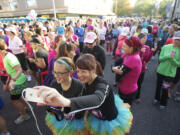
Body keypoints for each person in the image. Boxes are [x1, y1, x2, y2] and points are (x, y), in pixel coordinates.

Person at [34, 54, 133, 135]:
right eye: (78, 71)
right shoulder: (84, 83)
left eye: (83, 71)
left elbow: (97, 99)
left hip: (109, 121)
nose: (80, 75)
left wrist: (66, 101)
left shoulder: (103, 84)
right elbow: (84, 102)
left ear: (93, 70)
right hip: (95, 116)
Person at [45, 57, 85, 135]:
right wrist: (51, 108)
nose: (56, 76)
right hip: (60, 117)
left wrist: (68, 111)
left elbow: (81, 108)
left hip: (74, 120)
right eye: (55, 72)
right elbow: (53, 102)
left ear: (70, 72)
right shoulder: (54, 83)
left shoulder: (79, 86)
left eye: (60, 73)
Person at [0, 39, 30, 124]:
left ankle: (24, 116)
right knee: (18, 96)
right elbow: (10, 72)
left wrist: (12, 80)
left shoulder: (8, 57)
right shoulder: (4, 55)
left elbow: (19, 69)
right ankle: (27, 107)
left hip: (18, 82)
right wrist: (7, 83)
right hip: (16, 81)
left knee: (15, 100)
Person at [153, 31, 180, 109]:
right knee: (158, 86)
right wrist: (168, 56)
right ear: (173, 39)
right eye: (176, 39)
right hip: (160, 71)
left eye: (179, 40)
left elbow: (178, 64)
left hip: (170, 74)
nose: (177, 41)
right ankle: (156, 98)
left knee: (165, 89)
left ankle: (163, 103)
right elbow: (160, 59)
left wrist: (172, 59)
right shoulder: (166, 47)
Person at [112, 36, 142, 105]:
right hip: (124, 88)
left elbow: (118, 70)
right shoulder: (128, 54)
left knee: (124, 112)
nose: (122, 48)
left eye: (124, 46)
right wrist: (114, 68)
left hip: (128, 91)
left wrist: (113, 68)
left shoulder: (133, 58)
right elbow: (116, 62)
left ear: (131, 48)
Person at [136, 33, 156, 102]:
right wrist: (140, 52)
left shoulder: (147, 47)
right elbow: (134, 59)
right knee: (133, 83)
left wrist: (152, 52)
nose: (145, 40)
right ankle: (130, 95)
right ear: (139, 39)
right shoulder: (135, 47)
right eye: (143, 38)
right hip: (134, 69)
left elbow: (146, 60)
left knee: (139, 84)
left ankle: (137, 96)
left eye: (146, 38)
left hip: (142, 69)